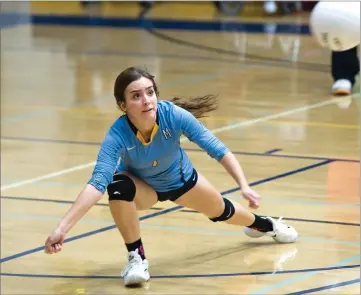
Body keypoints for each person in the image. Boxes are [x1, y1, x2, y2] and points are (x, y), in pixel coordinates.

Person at [44, 67, 298, 287]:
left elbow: (218, 149)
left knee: (224, 212)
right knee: (117, 185)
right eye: (136, 96)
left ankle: (266, 225)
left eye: (150, 92)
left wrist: (244, 186)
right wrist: (61, 229)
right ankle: (137, 259)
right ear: (123, 106)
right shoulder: (117, 134)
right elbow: (96, 183)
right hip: (144, 188)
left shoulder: (173, 115)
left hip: (182, 182)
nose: (146, 100)